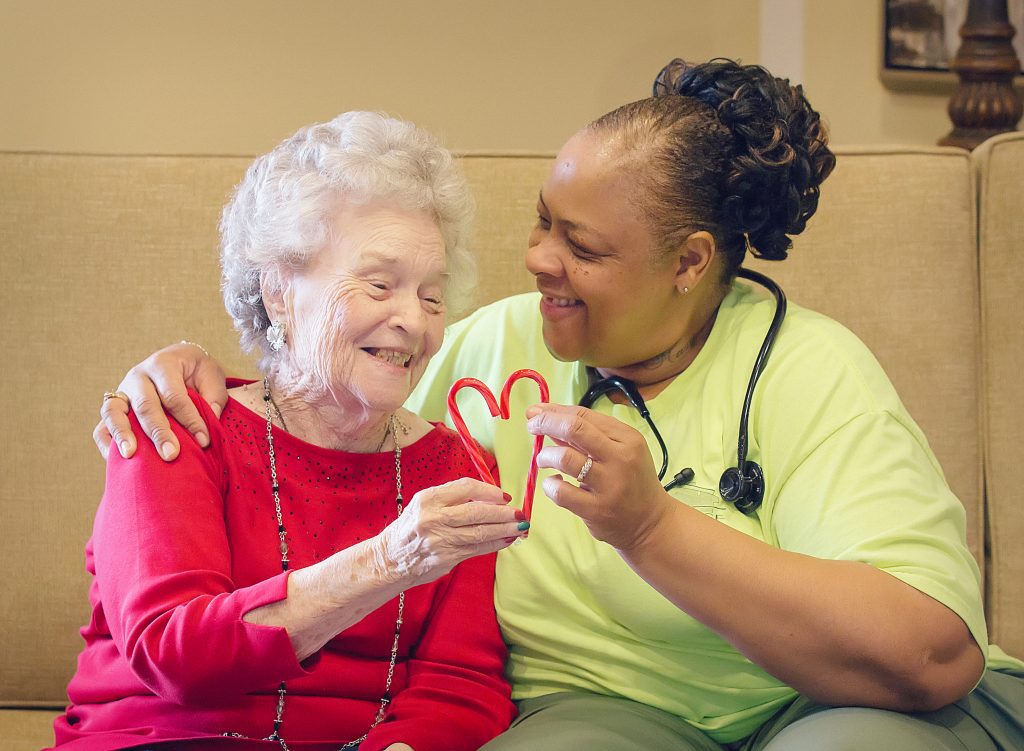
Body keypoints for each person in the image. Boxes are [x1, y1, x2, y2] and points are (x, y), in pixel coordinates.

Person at [94, 60, 1024, 750]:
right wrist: (183, 368)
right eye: (543, 220)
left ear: (689, 262)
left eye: (579, 243)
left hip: (823, 708)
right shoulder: (492, 341)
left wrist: (651, 527)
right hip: (594, 714)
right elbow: (326, 392)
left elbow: (932, 657)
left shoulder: (810, 368)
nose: (538, 258)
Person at [55, 111, 526, 751]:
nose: (413, 320)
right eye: (379, 283)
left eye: (433, 296)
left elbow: (461, 684)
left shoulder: (456, 469)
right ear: (279, 291)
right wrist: (391, 560)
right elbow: (174, 653)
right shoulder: (183, 428)